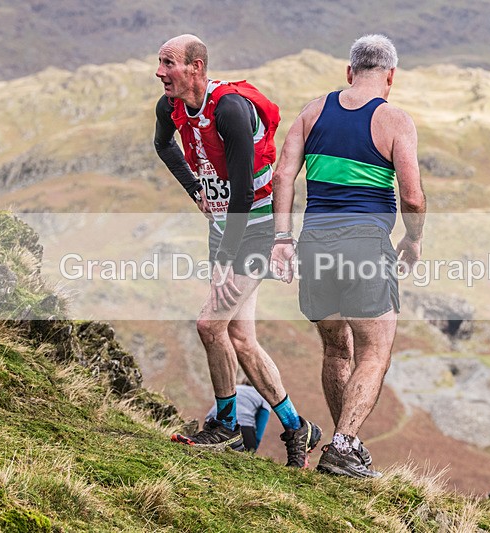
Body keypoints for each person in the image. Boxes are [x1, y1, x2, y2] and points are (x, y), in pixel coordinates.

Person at [152, 34, 321, 467]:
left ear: (196, 66)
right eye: (159, 63)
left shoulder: (228, 109)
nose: (159, 72)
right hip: (225, 228)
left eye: (168, 63)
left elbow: (244, 192)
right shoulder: (168, 108)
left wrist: (226, 261)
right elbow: (163, 145)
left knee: (210, 325)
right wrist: (196, 192)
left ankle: (226, 426)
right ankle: (297, 425)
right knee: (241, 339)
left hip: (257, 228)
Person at [270, 34, 426, 478]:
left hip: (315, 243)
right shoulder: (395, 121)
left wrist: (282, 239)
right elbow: (412, 199)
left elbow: (283, 174)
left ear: (349, 71)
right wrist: (413, 240)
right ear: (391, 77)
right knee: (374, 352)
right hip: (365, 245)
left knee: (336, 350)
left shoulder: (313, 112)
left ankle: (345, 449)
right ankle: (343, 445)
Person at [205, 380, 271, 452]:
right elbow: (261, 424)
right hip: (243, 427)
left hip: (212, 422)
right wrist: (254, 447)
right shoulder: (264, 396)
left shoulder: (235, 388)